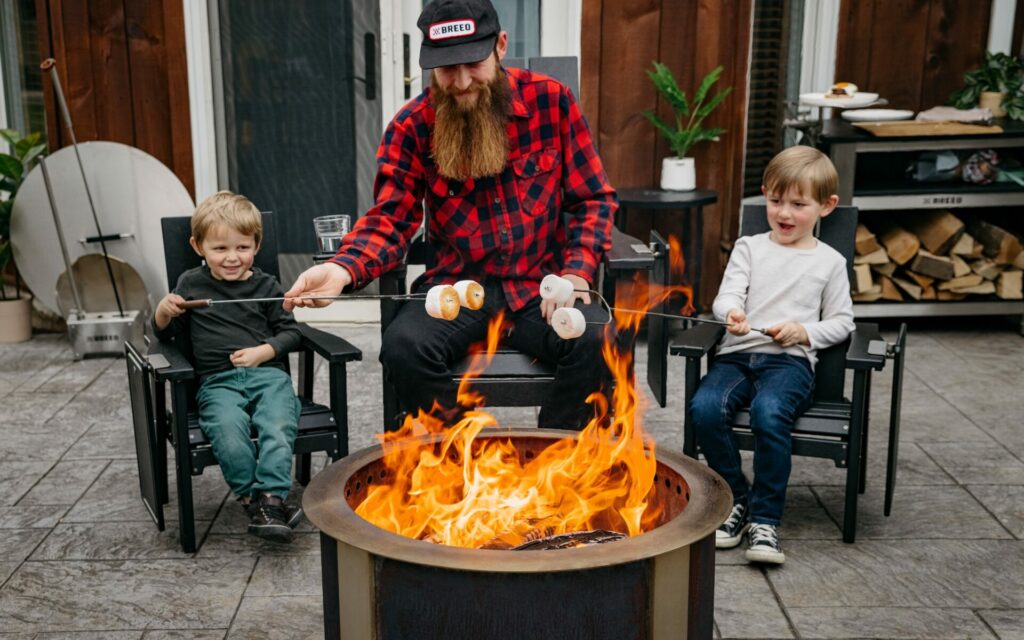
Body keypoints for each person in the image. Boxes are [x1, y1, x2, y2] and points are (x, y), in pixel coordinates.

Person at [285, 0, 617, 429]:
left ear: (500, 46)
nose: (460, 82)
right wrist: (342, 270)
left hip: (543, 290)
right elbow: (391, 219)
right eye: (445, 69)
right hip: (455, 293)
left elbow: (594, 199)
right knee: (403, 348)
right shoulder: (411, 127)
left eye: (472, 63)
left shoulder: (551, 103)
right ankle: (470, 459)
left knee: (597, 339)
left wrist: (577, 273)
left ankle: (551, 461)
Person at [689, 146, 855, 565]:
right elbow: (725, 296)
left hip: (790, 364)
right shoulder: (749, 248)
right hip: (737, 357)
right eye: (776, 201)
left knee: (769, 412)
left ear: (826, 206)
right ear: (765, 194)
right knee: (706, 407)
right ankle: (736, 498)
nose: (784, 213)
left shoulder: (830, 262)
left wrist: (804, 332)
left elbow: (842, 322)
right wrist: (732, 312)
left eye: (799, 204)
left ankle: (766, 520)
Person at [153, 191, 304, 543]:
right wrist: (163, 311)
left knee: (278, 425)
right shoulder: (190, 285)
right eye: (220, 249)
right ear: (198, 246)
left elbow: (291, 332)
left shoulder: (266, 286)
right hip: (218, 382)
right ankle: (255, 501)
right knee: (227, 433)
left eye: (242, 247)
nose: (232, 258)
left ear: (256, 244)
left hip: (269, 378)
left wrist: (264, 352)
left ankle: (272, 496)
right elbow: (166, 333)